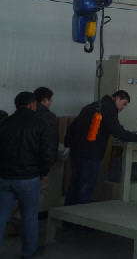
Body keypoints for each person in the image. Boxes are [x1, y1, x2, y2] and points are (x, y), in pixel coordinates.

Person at [0, 91, 56, 258]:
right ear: (32, 104)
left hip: (4, 178)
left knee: (1, 216)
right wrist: (44, 172)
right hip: (29, 178)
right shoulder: (40, 123)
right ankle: (29, 251)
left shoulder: (4, 122)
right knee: (29, 215)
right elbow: (47, 152)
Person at [64, 90, 137, 206]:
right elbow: (118, 132)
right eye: (124, 104)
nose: (123, 108)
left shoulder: (92, 106)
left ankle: (67, 214)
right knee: (85, 188)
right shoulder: (109, 110)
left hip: (76, 152)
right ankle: (80, 215)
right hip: (91, 155)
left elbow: (73, 126)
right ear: (117, 98)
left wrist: (68, 144)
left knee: (74, 185)